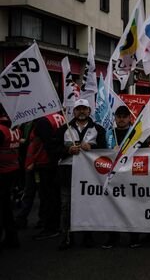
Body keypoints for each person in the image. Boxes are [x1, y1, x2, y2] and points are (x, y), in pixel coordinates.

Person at [58, 99, 106, 250]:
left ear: (89, 111)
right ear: (74, 111)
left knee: (88, 205)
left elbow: (105, 150)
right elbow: (53, 149)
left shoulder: (98, 129)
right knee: (66, 206)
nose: (81, 112)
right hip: (68, 172)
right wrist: (67, 150)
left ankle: (88, 236)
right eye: (78, 109)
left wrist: (92, 148)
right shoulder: (64, 129)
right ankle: (67, 237)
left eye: (84, 108)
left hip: (89, 174)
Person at [101, 106, 141, 249]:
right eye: (119, 117)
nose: (122, 119)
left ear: (129, 118)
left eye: (124, 117)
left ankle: (134, 236)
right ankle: (113, 236)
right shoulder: (108, 133)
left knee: (131, 206)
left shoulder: (136, 133)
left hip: (130, 175)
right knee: (111, 206)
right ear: (115, 118)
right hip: (112, 176)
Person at [27, 113, 66, 241]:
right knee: (53, 196)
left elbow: (48, 144)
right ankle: (52, 224)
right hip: (53, 163)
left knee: (48, 197)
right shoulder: (58, 116)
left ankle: (51, 227)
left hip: (46, 163)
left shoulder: (43, 121)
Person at [0, 104, 21, 250]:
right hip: (13, 170)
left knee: (3, 208)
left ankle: (10, 237)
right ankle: (12, 237)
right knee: (6, 207)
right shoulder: (14, 128)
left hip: (2, 173)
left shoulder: (1, 130)